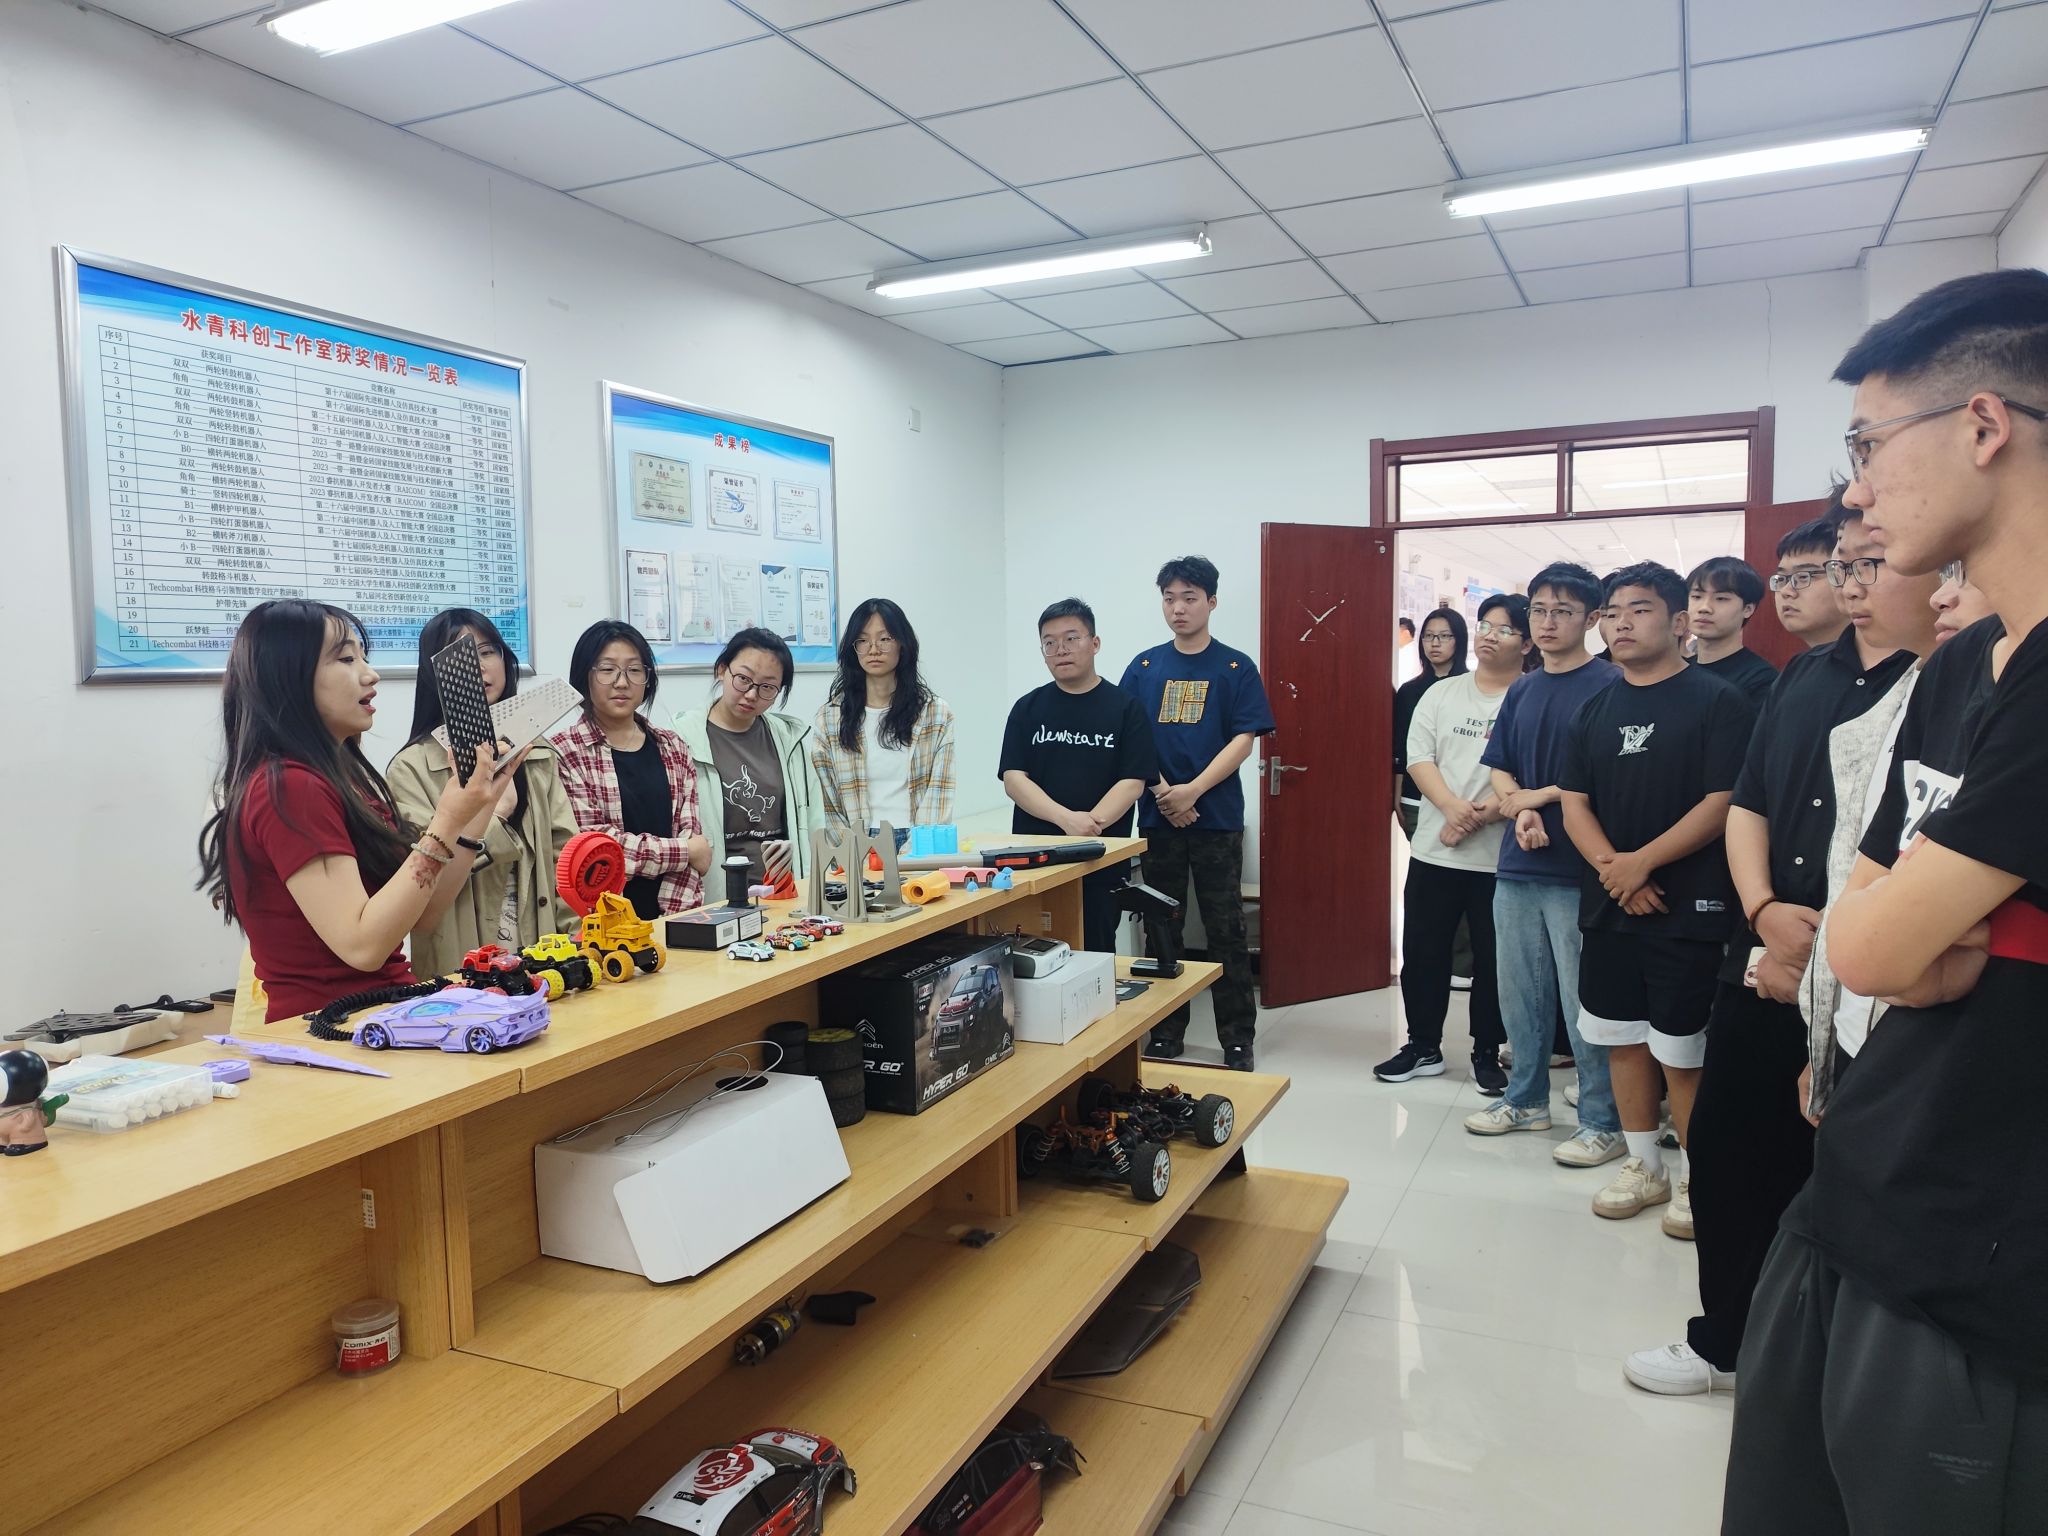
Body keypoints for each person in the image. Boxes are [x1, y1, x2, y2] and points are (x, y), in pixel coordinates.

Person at [1724, 269, 2048, 1533]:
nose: (1852, 490)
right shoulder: (1959, 669)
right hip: (1855, 1185)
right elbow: (1865, 930)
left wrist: (1902, 932)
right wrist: (1916, 929)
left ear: (1982, 425)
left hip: (1980, 1253)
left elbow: (1865, 942)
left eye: (1867, 446)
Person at [1622, 509, 1932, 1397]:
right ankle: (1726, 1338)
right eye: (1838, 567)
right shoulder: (1801, 677)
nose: (1848, 583)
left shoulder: (1939, 680)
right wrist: (1761, 912)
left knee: (1839, 1168)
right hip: (1762, 954)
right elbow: (1750, 800)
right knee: (1728, 1148)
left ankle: (1825, 1368)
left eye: (1865, 564)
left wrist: (1832, 945)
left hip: (1869, 968)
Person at [196, 600, 514, 1023]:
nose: (370, 674)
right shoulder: (289, 787)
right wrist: (446, 820)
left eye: (364, 657)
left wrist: (477, 810)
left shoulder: (342, 780)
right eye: (346, 659)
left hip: (382, 1014)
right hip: (335, 1028)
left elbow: (425, 915)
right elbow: (362, 946)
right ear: (289, 676)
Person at [1559, 562, 1754, 1223]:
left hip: (1688, 907)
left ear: (1678, 622)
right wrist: (1617, 872)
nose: (1621, 623)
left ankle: (1700, 1179)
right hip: (1610, 904)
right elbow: (1575, 802)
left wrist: (1641, 864)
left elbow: (1724, 801)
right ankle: (1645, 1166)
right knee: (1622, 1038)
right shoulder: (1594, 708)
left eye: (1639, 610)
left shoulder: (1718, 701)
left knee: (1682, 1050)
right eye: (1612, 612)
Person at [1463, 562, 1623, 1166]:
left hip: (1579, 868)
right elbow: (1500, 765)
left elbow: (1605, 775)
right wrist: (1520, 805)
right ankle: (1526, 1099)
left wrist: (1539, 797)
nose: (1548, 622)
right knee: (1519, 994)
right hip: (1518, 861)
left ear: (1592, 618)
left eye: (1563, 611)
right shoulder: (1524, 688)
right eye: (1538, 611)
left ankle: (1602, 1119)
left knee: (1586, 1002)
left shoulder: (1611, 684)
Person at [1120, 557, 1275, 1071]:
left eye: (1189, 598)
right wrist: (1166, 793)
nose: (1178, 608)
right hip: (1157, 816)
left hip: (1217, 818)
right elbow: (1131, 738)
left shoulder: (1235, 667)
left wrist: (1192, 792)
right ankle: (1166, 1031)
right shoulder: (1144, 668)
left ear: (1211, 601)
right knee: (1161, 927)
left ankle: (1237, 1037)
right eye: (1169, 599)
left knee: (1224, 927)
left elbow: (1243, 741)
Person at [1375, 594, 1530, 1093]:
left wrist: (1472, 819)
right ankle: (1422, 1045)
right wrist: (1451, 808)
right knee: (1424, 952)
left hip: (1499, 858)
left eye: (1503, 629)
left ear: (1526, 643)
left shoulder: (1531, 697)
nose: (1488, 635)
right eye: (1484, 625)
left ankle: (1486, 1050)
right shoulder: (1441, 694)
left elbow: (1535, 773)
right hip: (1433, 850)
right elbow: (1419, 757)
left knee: (1493, 959)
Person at [387, 609, 579, 978]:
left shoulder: (537, 752)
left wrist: (577, 943)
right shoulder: (412, 769)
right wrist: (494, 817)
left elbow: (564, 857)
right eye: (459, 656)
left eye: (488, 651)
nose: (479, 666)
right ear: (434, 675)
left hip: (546, 959)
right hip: (463, 967)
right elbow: (422, 886)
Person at [1000, 598, 1156, 955]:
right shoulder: (1027, 708)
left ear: (1094, 643)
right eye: (1049, 642)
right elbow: (1014, 779)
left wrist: (1089, 826)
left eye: (1071, 638)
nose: (1061, 650)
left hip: (1100, 857)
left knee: (1095, 950)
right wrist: (1067, 820)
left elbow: (1132, 782)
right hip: (1036, 858)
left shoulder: (1126, 708)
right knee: (1033, 951)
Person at [552, 620, 711, 919]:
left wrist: (688, 851)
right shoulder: (564, 752)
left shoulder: (673, 746)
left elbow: (691, 834)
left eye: (634, 670)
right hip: (604, 923)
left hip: (678, 913)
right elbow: (596, 851)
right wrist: (686, 851)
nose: (622, 682)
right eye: (607, 669)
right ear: (584, 676)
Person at [676, 627, 825, 892]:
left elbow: (814, 822)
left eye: (767, 687)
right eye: (743, 679)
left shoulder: (789, 739)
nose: (752, 694)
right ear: (722, 670)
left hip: (785, 892)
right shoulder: (683, 738)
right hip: (718, 893)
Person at [811, 598, 955, 840]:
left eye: (885, 639)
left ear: (903, 644)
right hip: (857, 842)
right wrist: (854, 853)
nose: (873, 649)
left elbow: (939, 793)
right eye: (862, 640)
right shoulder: (830, 717)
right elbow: (827, 801)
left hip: (917, 840)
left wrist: (914, 854)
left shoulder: (935, 713)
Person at [1392, 608, 1467, 838]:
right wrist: (1397, 795)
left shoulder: (1472, 687)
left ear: (1459, 640)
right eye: (1428, 636)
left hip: (1462, 799)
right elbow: (1401, 748)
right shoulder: (1409, 691)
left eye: (1444, 636)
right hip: (1415, 799)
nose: (1435, 643)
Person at [1686, 556, 1779, 705]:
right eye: (1696, 597)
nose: (1704, 608)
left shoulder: (1761, 679)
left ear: (1747, 609)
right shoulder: (1678, 669)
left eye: (1721, 598)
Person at [1766, 507, 1850, 649]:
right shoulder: (1801, 662)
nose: (1786, 591)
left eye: (1803, 577)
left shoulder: (1880, 661)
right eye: (1782, 579)